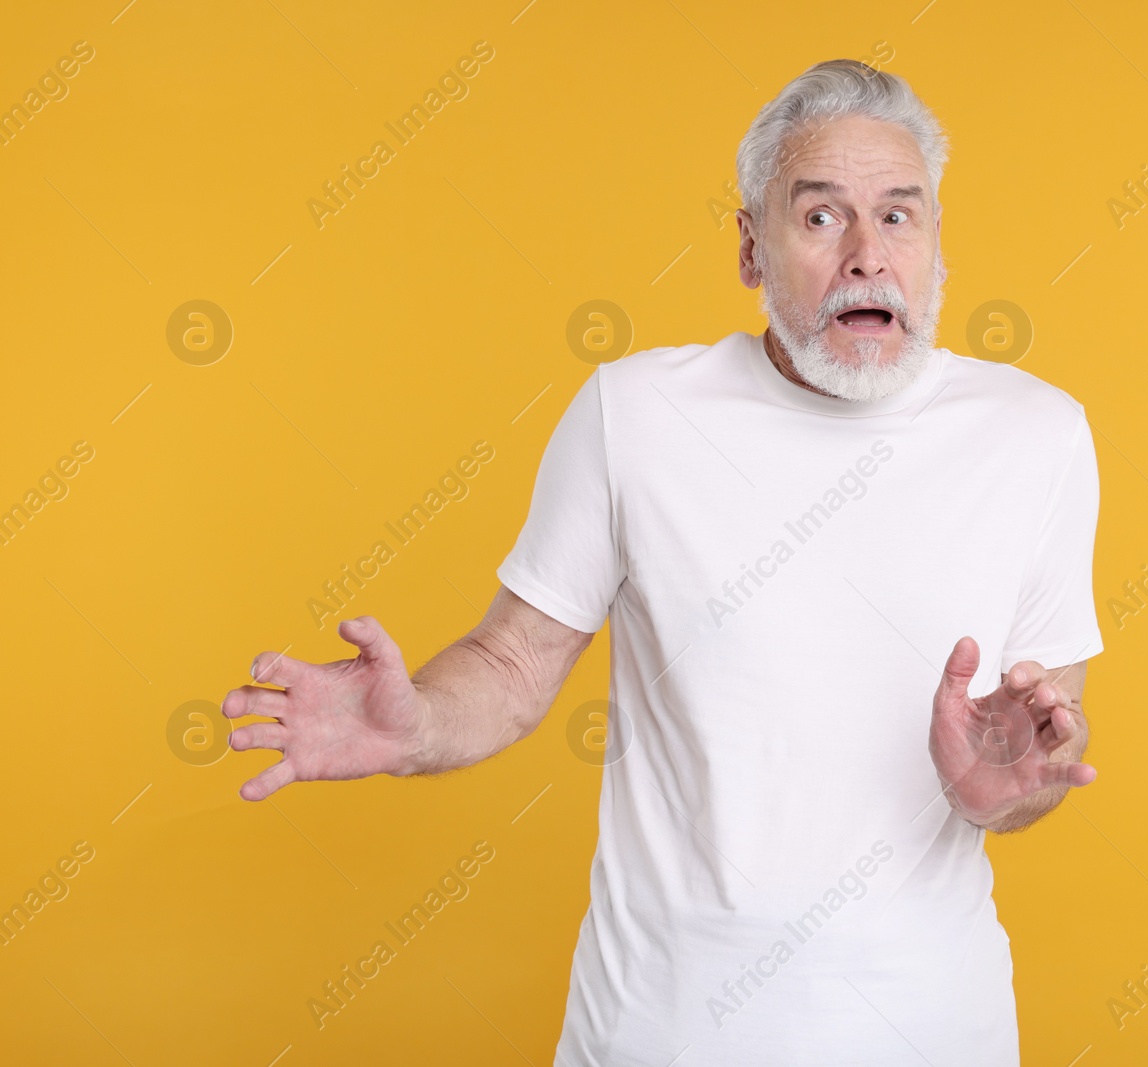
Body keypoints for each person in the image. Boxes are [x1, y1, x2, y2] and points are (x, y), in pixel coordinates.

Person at [223, 58, 1103, 1066]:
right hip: (661, 1034)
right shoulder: (634, 412)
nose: (867, 255)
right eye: (820, 218)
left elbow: (1040, 744)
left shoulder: (1036, 434)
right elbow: (511, 666)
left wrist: (1007, 787)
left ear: (937, 242)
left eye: (899, 217)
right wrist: (416, 721)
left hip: (935, 1031)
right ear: (748, 246)